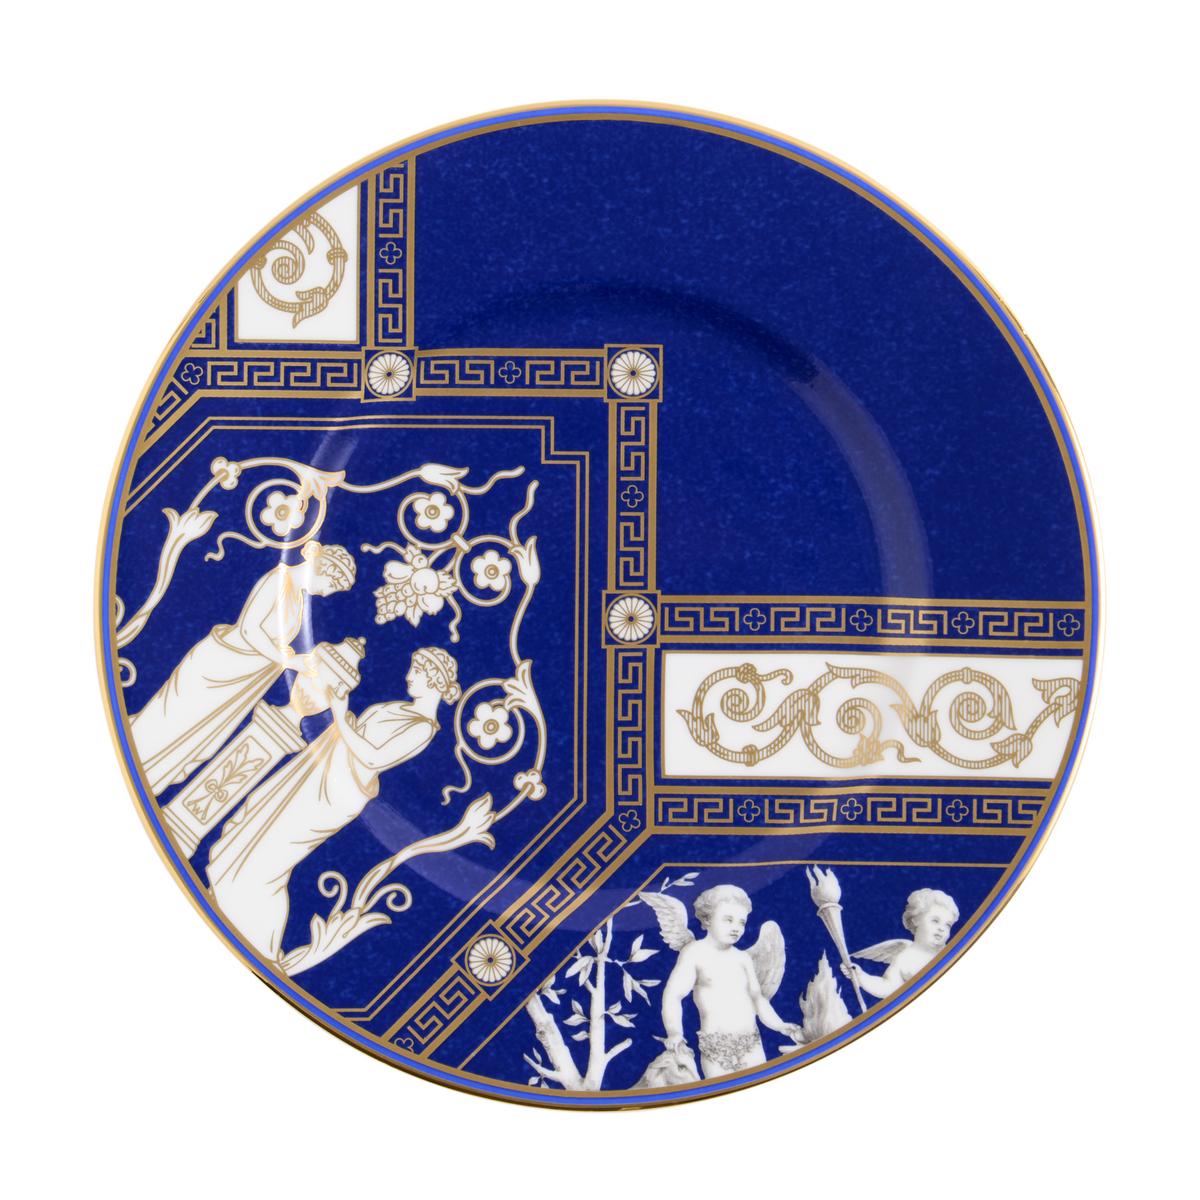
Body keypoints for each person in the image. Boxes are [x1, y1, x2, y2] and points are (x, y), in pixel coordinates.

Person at [206, 647, 460, 961]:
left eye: (417, 672)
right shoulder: (401, 708)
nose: (409, 676)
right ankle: (226, 896)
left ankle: (259, 941)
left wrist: (340, 714)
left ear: (434, 680)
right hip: (326, 773)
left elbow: (372, 757)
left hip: (337, 795)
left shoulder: (422, 728)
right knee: (264, 834)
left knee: (276, 854)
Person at [130, 542, 356, 795]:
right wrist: (291, 661)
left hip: (243, 679)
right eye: (331, 586)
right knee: (171, 721)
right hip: (220, 667)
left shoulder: (299, 599)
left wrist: (293, 658)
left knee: (201, 741)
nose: (325, 594)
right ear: (322, 570)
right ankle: (131, 765)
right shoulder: (280, 580)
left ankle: (149, 781)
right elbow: (250, 630)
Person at [660, 885, 803, 1079]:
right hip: (715, 1050)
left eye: (741, 922)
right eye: (728, 920)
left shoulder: (743, 959)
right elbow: (673, 995)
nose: (736, 928)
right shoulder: (694, 953)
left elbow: (758, 999)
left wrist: (779, 1025)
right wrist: (674, 1032)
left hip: (751, 1045)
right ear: (707, 919)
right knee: (722, 1093)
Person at [841, 888, 960, 999]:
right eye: (935, 921)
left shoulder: (951, 954)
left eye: (947, 925)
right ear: (916, 919)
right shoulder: (904, 957)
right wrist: (861, 977)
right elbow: (888, 988)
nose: (942, 928)